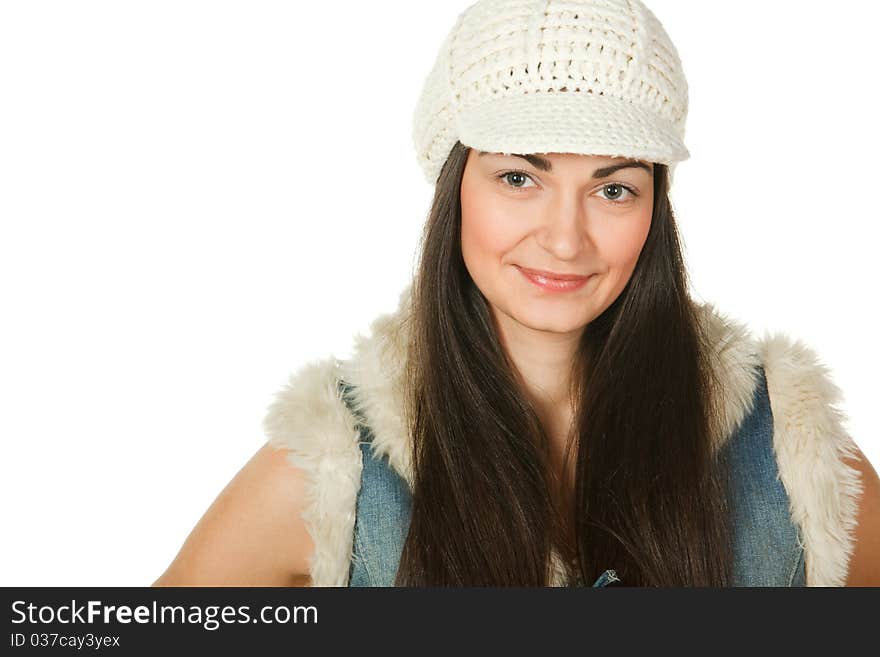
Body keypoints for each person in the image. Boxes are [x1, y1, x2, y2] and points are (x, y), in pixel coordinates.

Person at [153, 0, 879, 587]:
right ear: (455, 187)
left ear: (656, 208)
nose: (565, 239)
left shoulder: (791, 453)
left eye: (614, 188)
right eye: (519, 178)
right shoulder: (334, 470)